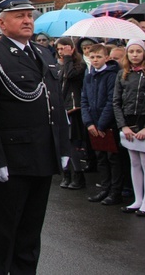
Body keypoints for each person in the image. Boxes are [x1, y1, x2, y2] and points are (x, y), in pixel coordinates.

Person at [0, 0, 70, 275]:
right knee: (5, 228)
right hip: (13, 157)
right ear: (1, 23)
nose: (28, 20)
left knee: (31, 228)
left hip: (43, 153)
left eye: (30, 15)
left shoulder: (44, 53)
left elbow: (56, 103)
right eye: (20, 16)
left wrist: (63, 147)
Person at [113, 39, 145, 216]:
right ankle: (137, 199)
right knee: (134, 162)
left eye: (138, 51)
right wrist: (123, 126)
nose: (135, 55)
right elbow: (116, 102)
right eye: (131, 52)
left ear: (144, 53)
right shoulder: (122, 74)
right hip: (128, 123)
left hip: (144, 121)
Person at [81, 43, 123, 205]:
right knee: (101, 159)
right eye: (93, 57)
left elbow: (111, 101)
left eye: (99, 57)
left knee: (113, 159)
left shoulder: (112, 75)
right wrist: (89, 123)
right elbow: (84, 100)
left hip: (107, 125)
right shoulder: (89, 76)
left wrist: (101, 125)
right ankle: (104, 188)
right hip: (93, 125)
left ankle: (115, 191)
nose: (95, 60)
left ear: (106, 58)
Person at [55, 36, 88, 190]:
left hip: (74, 109)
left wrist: (68, 57)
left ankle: (78, 176)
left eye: (64, 48)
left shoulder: (79, 65)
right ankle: (66, 174)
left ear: (72, 48)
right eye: (59, 49)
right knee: (63, 142)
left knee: (72, 144)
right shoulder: (59, 65)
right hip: (61, 108)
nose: (61, 52)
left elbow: (70, 75)